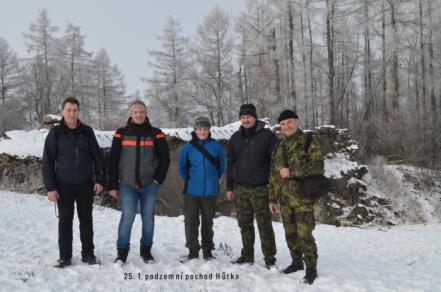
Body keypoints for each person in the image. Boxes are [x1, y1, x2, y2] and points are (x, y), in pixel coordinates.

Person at [42, 96, 104, 268]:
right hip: (63, 185)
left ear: (78, 112)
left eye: (74, 110)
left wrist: (99, 179)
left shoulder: (87, 131)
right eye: (68, 110)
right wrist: (50, 187)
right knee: (65, 221)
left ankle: (88, 254)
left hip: (85, 184)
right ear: (62, 111)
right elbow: (47, 161)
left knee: (86, 220)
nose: (71, 113)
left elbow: (97, 157)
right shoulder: (55, 133)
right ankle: (65, 257)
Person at [108, 100, 170, 264]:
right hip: (127, 185)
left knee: (148, 219)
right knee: (127, 217)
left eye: (141, 111)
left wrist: (158, 179)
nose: (138, 114)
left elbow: (165, 158)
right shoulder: (121, 133)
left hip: (149, 184)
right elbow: (113, 159)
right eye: (135, 111)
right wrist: (113, 184)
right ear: (131, 114)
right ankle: (122, 254)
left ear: (146, 113)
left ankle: (146, 251)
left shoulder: (156, 133)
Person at [268, 110, 324, 284]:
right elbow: (273, 174)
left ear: (297, 122)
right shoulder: (279, 146)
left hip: (303, 198)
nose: (286, 126)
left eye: (289, 122)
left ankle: (311, 268)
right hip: (284, 199)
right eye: (283, 124)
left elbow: (318, 167)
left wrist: (292, 172)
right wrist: (271, 198)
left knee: (305, 234)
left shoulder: (308, 141)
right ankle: (296, 262)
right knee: (290, 233)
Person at [226, 103, 277, 268]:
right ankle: (247, 255)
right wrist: (229, 186)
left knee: (264, 225)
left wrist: (273, 189)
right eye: (242, 117)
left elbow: (275, 163)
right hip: (240, 188)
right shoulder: (235, 138)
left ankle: (270, 259)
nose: (245, 120)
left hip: (260, 188)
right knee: (244, 224)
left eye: (248, 116)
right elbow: (230, 163)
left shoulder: (267, 136)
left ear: (255, 117)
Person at [178, 117, 226, 261]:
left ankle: (207, 251)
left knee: (208, 223)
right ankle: (192, 251)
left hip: (210, 192)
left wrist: (212, 180)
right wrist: (192, 181)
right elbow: (182, 169)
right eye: (200, 129)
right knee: (191, 222)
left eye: (205, 129)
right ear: (195, 130)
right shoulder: (187, 148)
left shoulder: (216, 147)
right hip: (192, 191)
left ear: (209, 130)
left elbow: (222, 167)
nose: (202, 132)